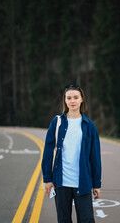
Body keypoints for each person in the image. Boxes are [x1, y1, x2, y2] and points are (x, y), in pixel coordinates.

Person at [42, 84, 102, 223]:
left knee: (87, 219)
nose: (72, 101)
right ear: (65, 100)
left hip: (83, 182)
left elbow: (95, 157)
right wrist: (47, 179)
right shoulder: (56, 123)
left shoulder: (89, 125)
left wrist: (96, 184)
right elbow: (48, 152)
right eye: (69, 98)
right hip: (61, 183)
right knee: (63, 220)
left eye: (76, 97)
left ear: (82, 100)